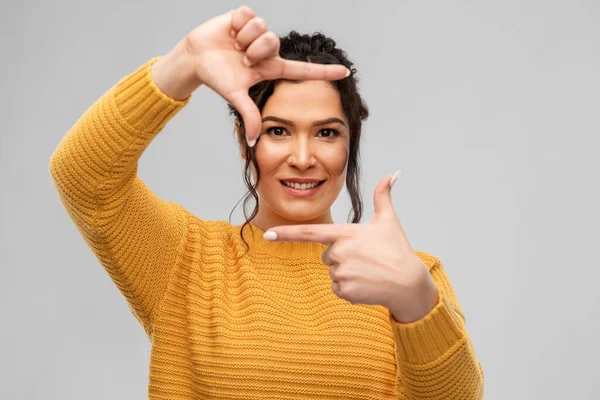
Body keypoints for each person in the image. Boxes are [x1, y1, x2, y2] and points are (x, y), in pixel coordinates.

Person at [49, 5, 484, 399]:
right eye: (278, 130)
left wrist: (416, 303)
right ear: (245, 139)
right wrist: (184, 62)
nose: (302, 158)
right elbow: (83, 174)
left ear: (351, 144)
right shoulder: (187, 261)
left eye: (327, 132)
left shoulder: (411, 276)